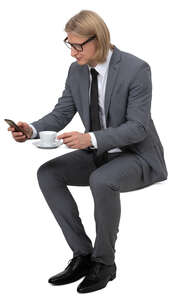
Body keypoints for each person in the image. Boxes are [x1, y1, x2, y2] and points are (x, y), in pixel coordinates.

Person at [8, 10, 168, 293]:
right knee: (48, 174)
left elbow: (138, 128)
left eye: (78, 45)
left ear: (100, 39)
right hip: (100, 154)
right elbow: (62, 112)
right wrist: (31, 129)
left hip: (137, 155)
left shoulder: (136, 69)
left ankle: (105, 263)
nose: (72, 52)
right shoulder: (77, 70)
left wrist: (90, 138)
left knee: (102, 180)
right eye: (69, 44)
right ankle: (83, 255)